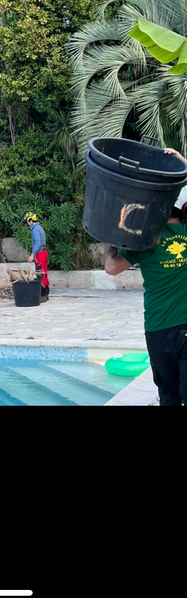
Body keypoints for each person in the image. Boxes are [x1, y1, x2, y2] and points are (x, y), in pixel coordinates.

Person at [104, 150, 187, 406]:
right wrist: (183, 164)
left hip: (157, 329)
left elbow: (111, 268)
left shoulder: (146, 241)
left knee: (168, 394)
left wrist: (110, 240)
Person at [24, 212, 49, 301]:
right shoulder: (40, 228)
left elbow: (37, 243)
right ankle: (46, 293)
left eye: (27, 222)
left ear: (31, 221)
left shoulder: (35, 230)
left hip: (40, 254)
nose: (27, 224)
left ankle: (42, 294)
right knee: (44, 273)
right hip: (43, 252)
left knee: (40, 274)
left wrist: (32, 255)